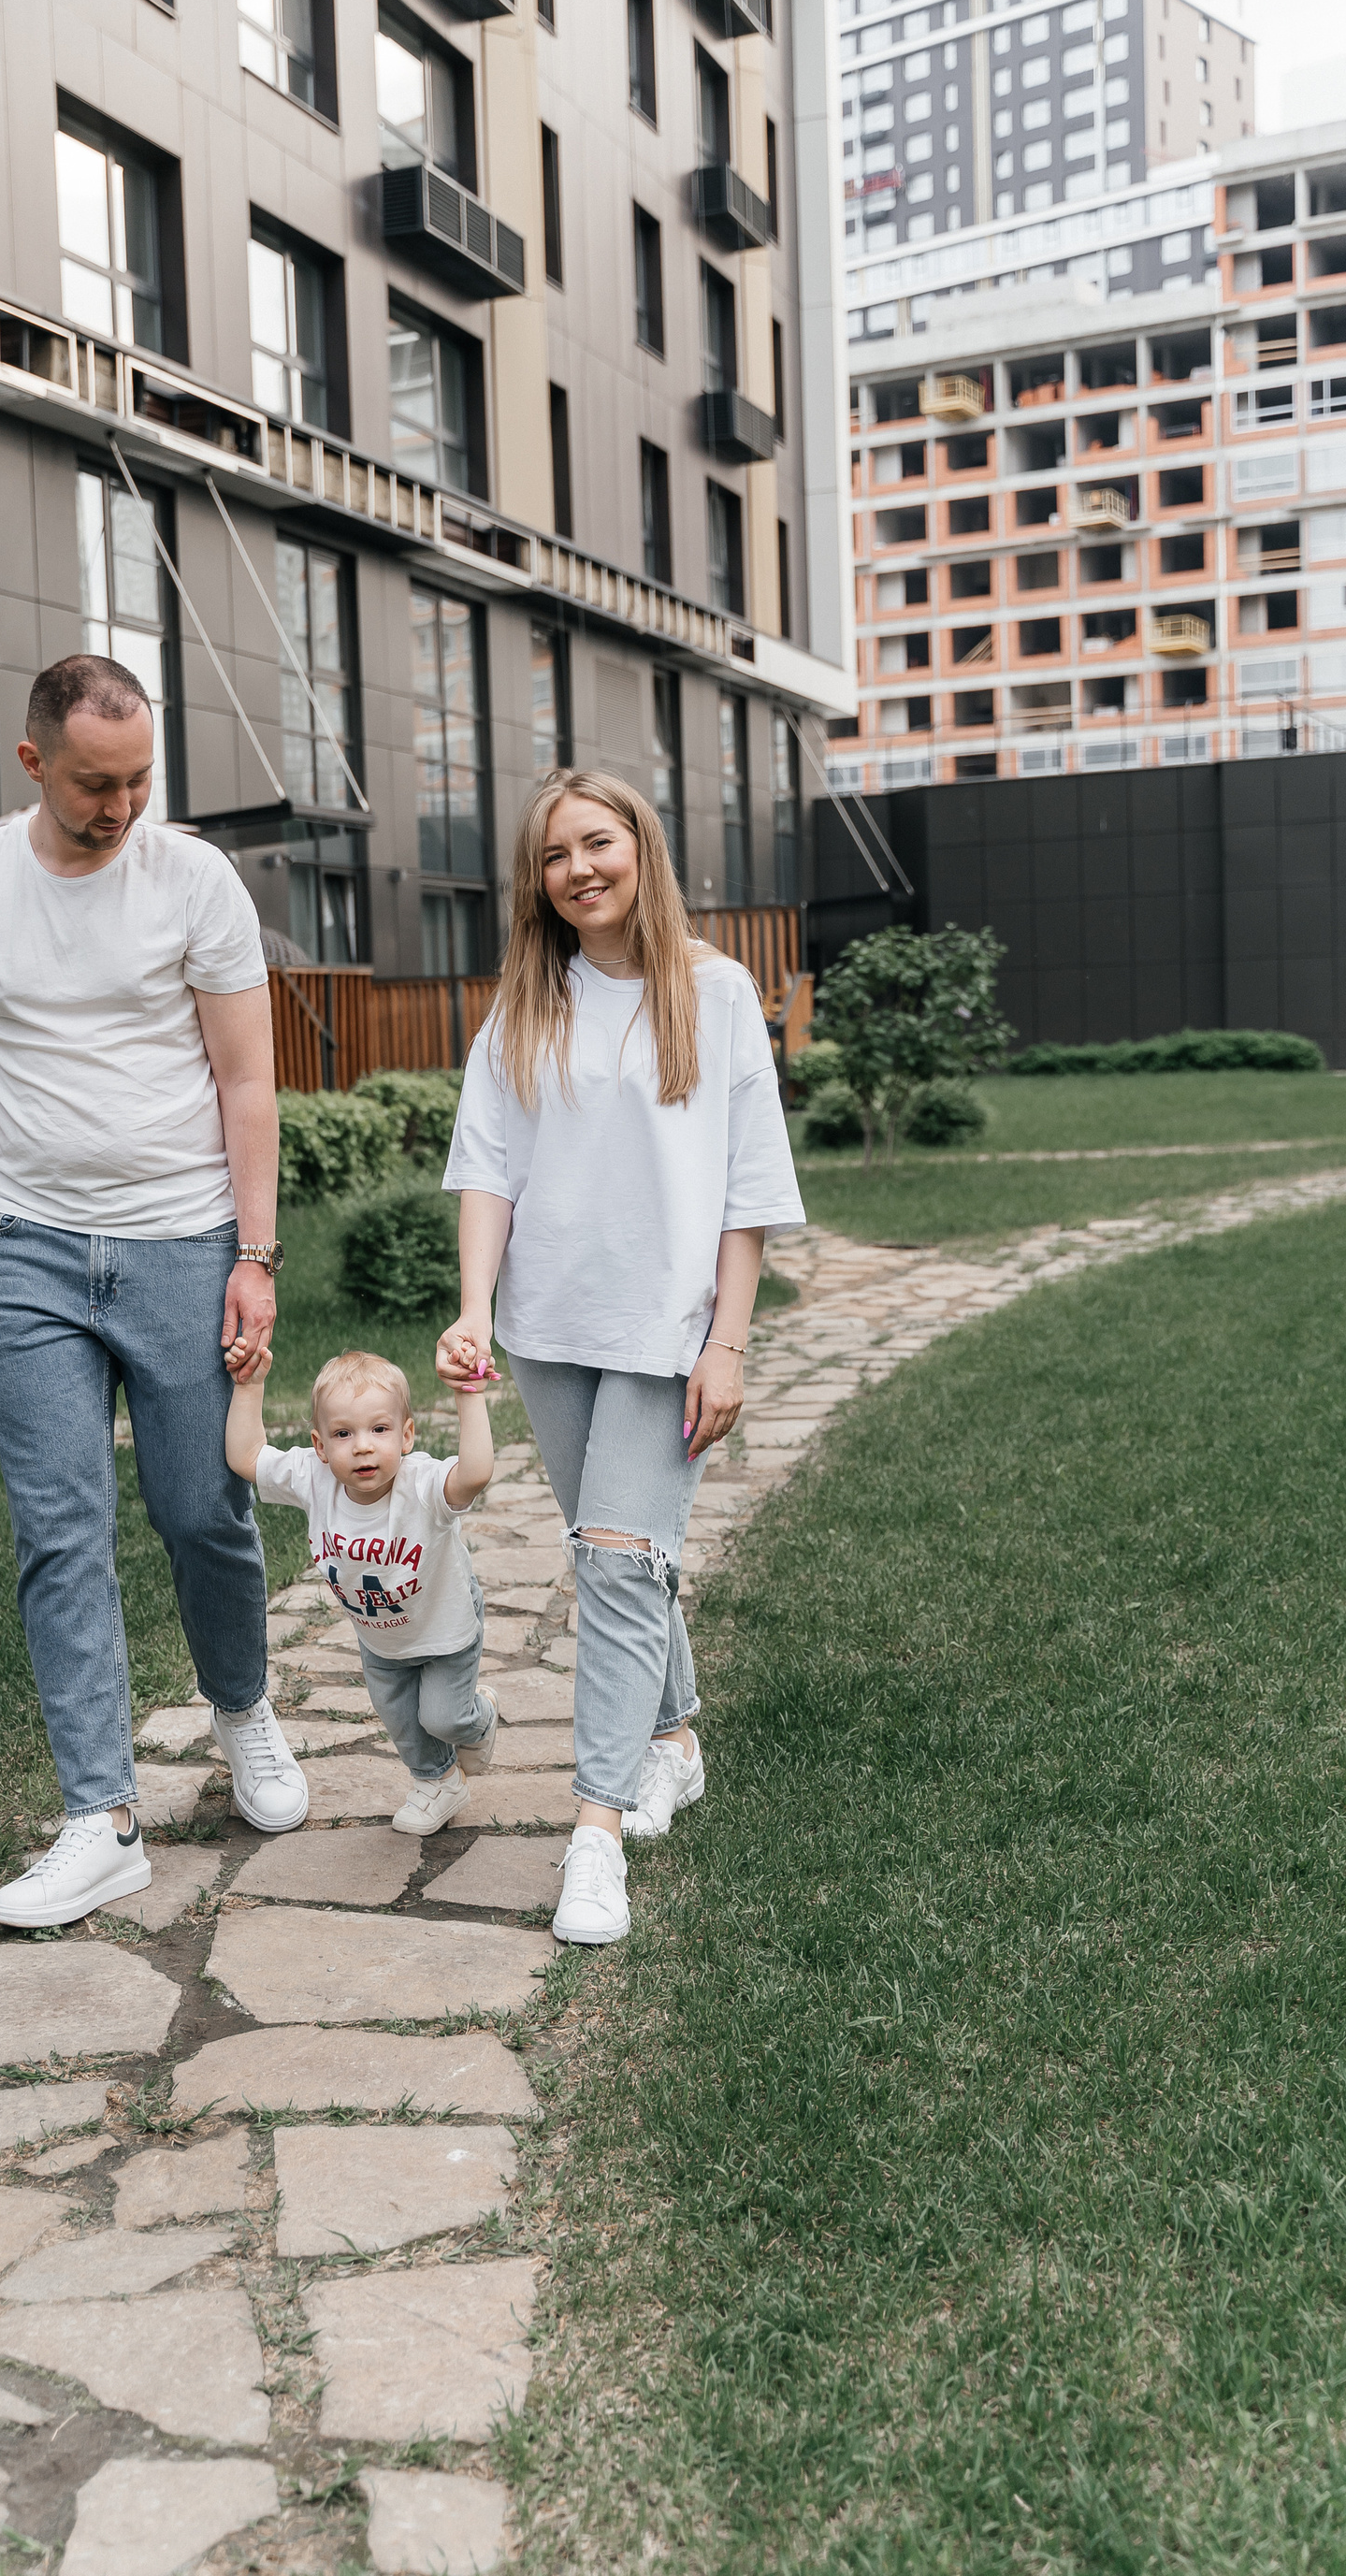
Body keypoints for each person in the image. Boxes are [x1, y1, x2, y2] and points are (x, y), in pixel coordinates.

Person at [0, 654, 308, 1932]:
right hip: (30, 1249)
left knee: (202, 1511)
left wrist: (255, 1257)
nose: (121, 806)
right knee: (58, 1532)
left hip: (185, 1244)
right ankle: (102, 1816)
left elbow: (248, 1081)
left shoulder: (194, 879)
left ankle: (242, 1709)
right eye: (94, 783)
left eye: (139, 780)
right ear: (34, 762)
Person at [438, 770, 804, 1946]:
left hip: (666, 1332)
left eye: (597, 843)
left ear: (641, 847)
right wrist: (474, 1308)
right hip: (549, 1331)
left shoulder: (716, 990)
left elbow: (750, 1188)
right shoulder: (524, 1005)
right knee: (621, 1561)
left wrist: (727, 1343)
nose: (578, 870)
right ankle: (673, 1739)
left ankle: (593, 1833)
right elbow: (488, 1171)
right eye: (554, 856)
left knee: (612, 1563)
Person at [227, 1346, 501, 1832]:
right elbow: (246, 1457)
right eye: (343, 1434)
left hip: (444, 1627)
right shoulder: (315, 1480)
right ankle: (438, 1782)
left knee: (444, 1719)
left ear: (406, 1435)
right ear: (319, 1445)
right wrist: (249, 1386)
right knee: (402, 1721)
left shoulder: (422, 1486)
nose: (362, 1447)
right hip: (381, 1639)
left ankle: (478, 1719)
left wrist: (469, 1394)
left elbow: (475, 1473)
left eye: (379, 1429)